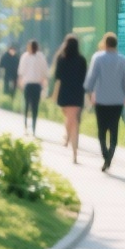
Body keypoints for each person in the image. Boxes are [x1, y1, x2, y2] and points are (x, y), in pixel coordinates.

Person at [84, 32, 125, 172]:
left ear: (105, 44)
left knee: (101, 130)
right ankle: (109, 156)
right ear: (116, 45)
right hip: (117, 101)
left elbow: (91, 77)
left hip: (101, 100)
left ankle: (105, 155)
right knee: (114, 129)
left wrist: (89, 92)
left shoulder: (97, 58)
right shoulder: (123, 60)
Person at [50, 35, 87, 164]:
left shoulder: (61, 59)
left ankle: (70, 144)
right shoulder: (82, 60)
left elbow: (58, 79)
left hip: (64, 92)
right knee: (73, 119)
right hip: (77, 93)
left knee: (70, 119)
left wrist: (54, 95)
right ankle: (73, 148)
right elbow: (84, 78)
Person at [17, 40, 49, 135]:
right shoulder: (25, 57)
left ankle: (34, 127)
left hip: (37, 84)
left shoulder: (40, 57)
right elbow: (21, 71)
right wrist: (20, 82)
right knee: (26, 105)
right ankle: (26, 125)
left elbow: (44, 72)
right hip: (28, 84)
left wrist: (44, 83)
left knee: (35, 106)